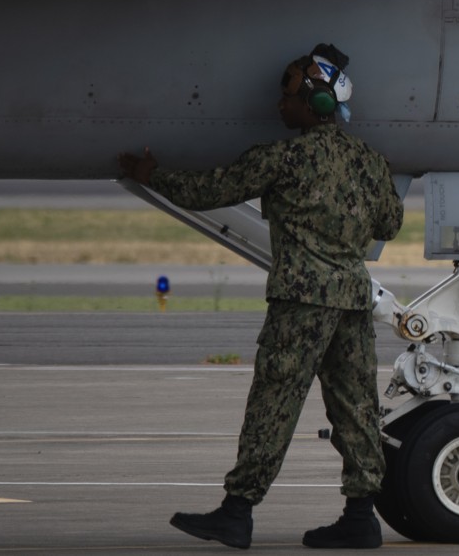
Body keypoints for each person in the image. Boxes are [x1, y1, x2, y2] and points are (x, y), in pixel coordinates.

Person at [118, 45, 403, 550]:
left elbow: (213, 190)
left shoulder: (284, 157)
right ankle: (361, 517)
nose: (279, 105)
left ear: (316, 103)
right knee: (357, 407)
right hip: (354, 302)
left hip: (301, 301)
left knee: (274, 401)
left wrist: (152, 177)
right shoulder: (371, 162)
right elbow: (391, 224)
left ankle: (237, 511)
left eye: (288, 94)